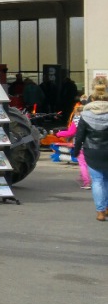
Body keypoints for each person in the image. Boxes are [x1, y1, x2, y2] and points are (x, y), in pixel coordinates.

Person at [72, 84, 108, 220]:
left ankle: (100, 212)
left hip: (92, 151)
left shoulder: (85, 115)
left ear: (92, 99)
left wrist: (75, 151)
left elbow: (80, 136)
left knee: (97, 180)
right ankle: (107, 207)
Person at [55, 104, 90, 189]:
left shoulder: (77, 120)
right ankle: (82, 178)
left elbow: (70, 132)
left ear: (77, 112)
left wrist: (59, 134)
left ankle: (86, 182)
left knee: (82, 164)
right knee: (87, 163)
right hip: (90, 144)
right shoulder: (90, 119)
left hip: (80, 144)